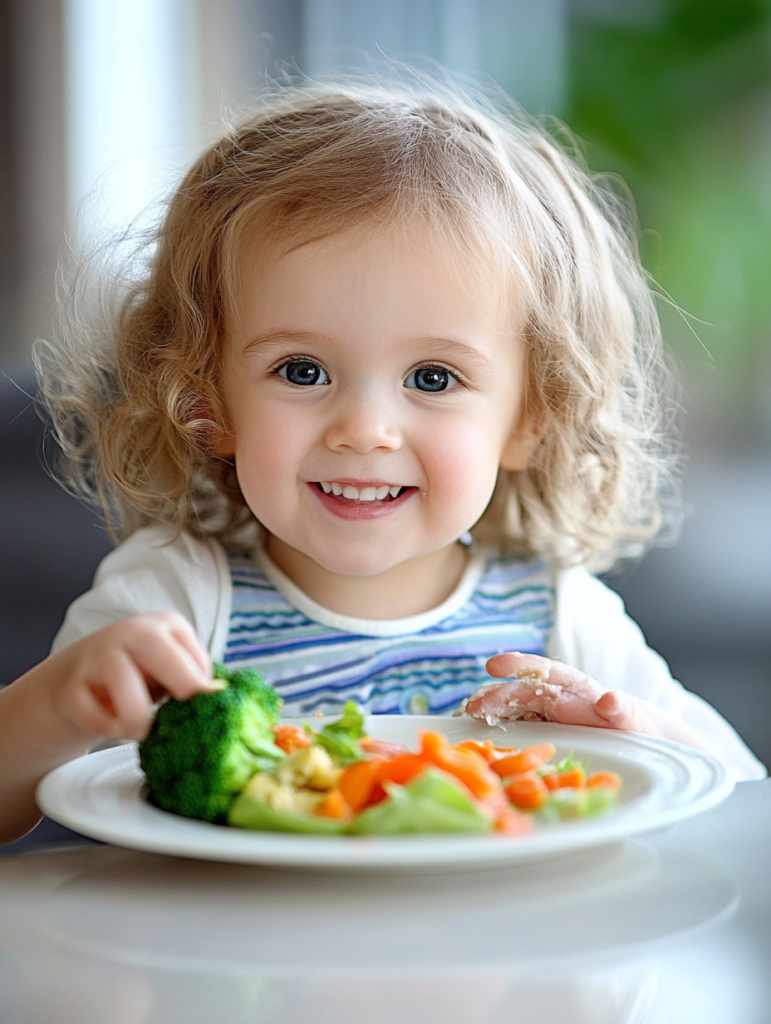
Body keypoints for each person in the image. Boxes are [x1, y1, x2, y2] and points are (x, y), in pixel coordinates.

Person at [0, 73, 763, 843]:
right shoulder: (176, 603)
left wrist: (642, 737)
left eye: (432, 378)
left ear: (529, 419)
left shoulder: (560, 619)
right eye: (302, 371)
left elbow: (742, 803)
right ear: (208, 401)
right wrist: (60, 703)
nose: (364, 430)